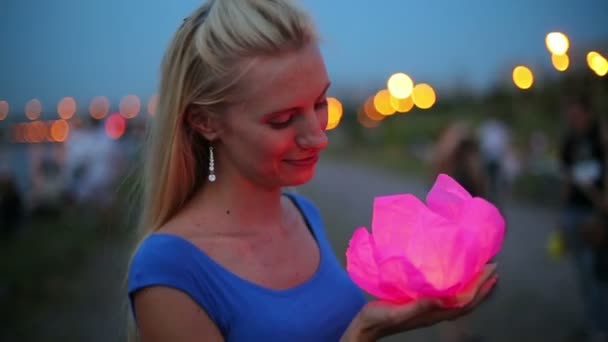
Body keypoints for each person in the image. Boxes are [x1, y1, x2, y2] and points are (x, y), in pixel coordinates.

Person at [126, 1, 498, 341]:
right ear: (205, 121)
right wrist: (362, 333)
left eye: (320, 103)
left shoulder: (304, 215)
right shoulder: (170, 270)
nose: (318, 137)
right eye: (283, 119)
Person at [558, 93, 608, 340]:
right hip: (574, 212)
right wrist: (561, 216)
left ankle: (600, 325)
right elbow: (567, 179)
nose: (574, 120)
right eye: (571, 115)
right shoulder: (569, 142)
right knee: (583, 271)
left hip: (596, 214)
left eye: (578, 114)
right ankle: (592, 321)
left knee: (597, 269)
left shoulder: (600, 139)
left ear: (588, 113)